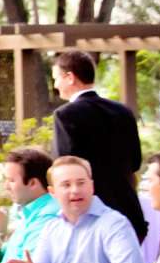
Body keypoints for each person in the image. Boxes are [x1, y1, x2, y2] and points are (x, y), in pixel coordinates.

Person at [3, 155, 141, 263]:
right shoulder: (53, 227)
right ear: (53, 192)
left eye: (81, 183)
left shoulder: (114, 224)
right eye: (66, 185)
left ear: (92, 186)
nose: (75, 190)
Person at [51, 50, 148, 239]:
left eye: (56, 78)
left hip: (90, 217)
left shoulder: (65, 115)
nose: (55, 85)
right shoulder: (123, 112)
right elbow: (135, 162)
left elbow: (63, 169)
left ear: (70, 77)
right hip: (128, 211)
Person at [0, 147, 57, 263]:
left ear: (33, 183)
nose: (6, 186)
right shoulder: (28, 213)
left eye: (11, 180)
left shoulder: (48, 216)